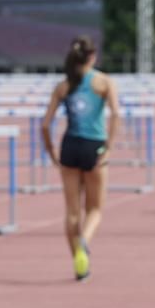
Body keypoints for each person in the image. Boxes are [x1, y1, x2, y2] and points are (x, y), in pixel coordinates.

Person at [40, 36, 120, 281]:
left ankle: (79, 263)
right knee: (95, 208)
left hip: (70, 146)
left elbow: (45, 124)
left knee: (72, 211)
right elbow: (116, 115)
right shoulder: (103, 82)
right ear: (93, 57)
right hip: (93, 146)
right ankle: (84, 241)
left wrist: (51, 151)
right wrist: (108, 147)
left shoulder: (63, 86)